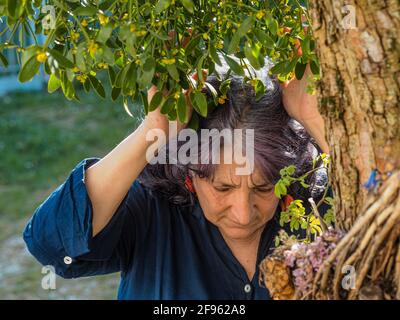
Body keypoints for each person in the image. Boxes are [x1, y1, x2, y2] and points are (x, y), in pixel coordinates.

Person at [23, 57, 330, 300]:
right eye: (223, 187)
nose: (243, 213)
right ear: (188, 177)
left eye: (263, 187)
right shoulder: (151, 210)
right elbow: (52, 247)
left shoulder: (316, 208)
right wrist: (152, 131)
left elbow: (378, 210)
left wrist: (315, 120)